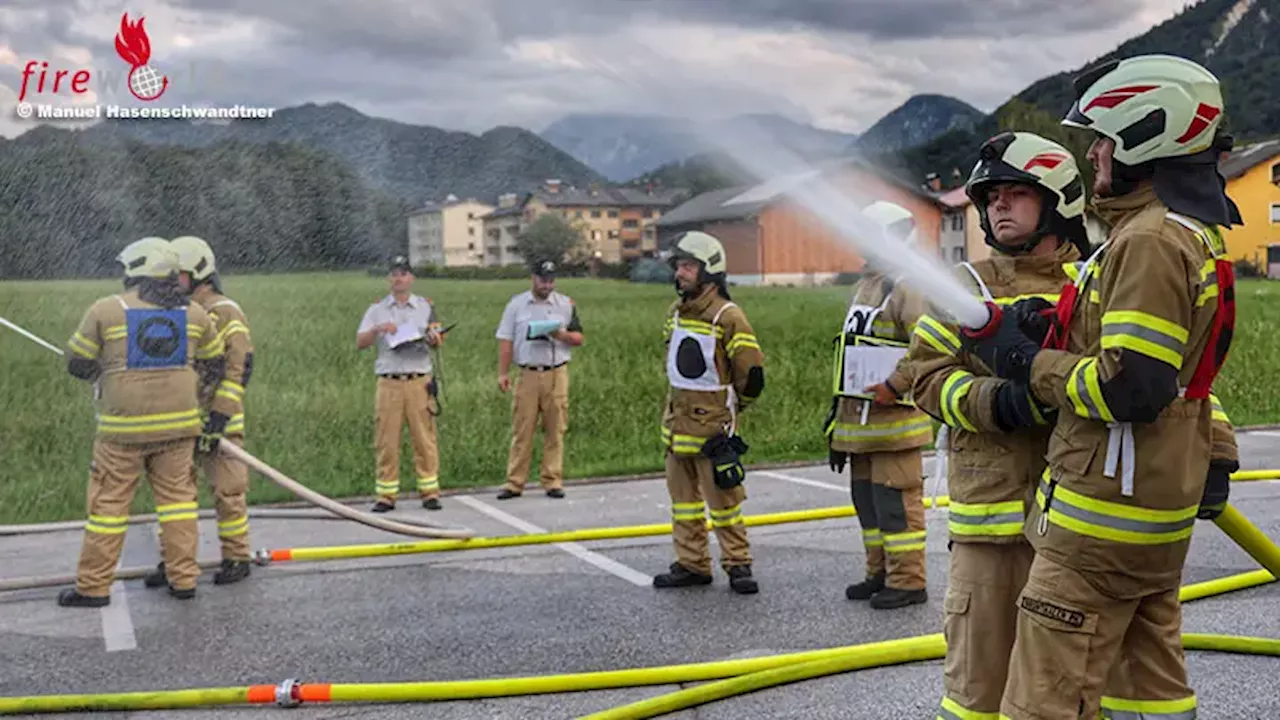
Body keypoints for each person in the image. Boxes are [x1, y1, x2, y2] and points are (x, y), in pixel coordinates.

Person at [959, 54, 1242, 718]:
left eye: (1104, 140)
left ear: (1149, 136)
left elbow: (1134, 388)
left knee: (1041, 702)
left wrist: (1024, 362)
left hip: (1095, 527)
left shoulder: (1146, 242)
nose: (1095, 157)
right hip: (1147, 516)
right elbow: (1170, 364)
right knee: (1150, 697)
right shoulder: (1183, 232)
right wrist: (1048, 327)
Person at [906, 132, 1089, 717]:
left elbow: (1157, 374)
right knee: (977, 694)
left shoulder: (1094, 286)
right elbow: (925, 380)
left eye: (1015, 193)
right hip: (990, 534)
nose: (998, 206)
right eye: (991, 197)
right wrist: (999, 403)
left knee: (1070, 690)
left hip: (1077, 533)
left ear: (1058, 199)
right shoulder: (966, 289)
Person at [59, 236, 225, 606]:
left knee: (108, 509)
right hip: (180, 431)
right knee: (179, 505)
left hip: (121, 435)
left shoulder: (106, 310)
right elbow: (215, 363)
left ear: (136, 271)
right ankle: (183, 580)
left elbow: (78, 363)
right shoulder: (195, 315)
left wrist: (103, 369)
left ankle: (93, 588)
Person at [824, 201, 933, 610]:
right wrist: (838, 427)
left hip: (895, 423)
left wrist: (895, 383)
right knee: (868, 503)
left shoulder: (911, 285)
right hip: (861, 425)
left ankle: (908, 581)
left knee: (896, 507)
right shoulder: (868, 285)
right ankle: (879, 572)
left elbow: (927, 350)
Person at [652, 231, 765, 595]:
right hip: (678, 425)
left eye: (688, 266)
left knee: (724, 502)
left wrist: (730, 412)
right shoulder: (676, 314)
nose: (680, 273)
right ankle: (691, 564)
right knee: (683, 504)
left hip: (713, 430)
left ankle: (738, 564)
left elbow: (752, 376)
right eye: (679, 266)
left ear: (710, 270)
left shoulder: (728, 317)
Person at [142, 235, 256, 588]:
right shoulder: (175, 312)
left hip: (216, 421)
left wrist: (219, 417)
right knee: (176, 497)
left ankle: (237, 557)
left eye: (178, 276)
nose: (170, 283)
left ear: (199, 274)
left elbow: (239, 367)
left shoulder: (223, 311)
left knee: (228, 491)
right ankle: (175, 562)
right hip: (179, 419)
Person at [356, 256, 445, 511]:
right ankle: (386, 495)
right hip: (390, 382)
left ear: (411, 278)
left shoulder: (426, 307)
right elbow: (360, 342)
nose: (399, 278)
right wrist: (378, 330)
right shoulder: (377, 309)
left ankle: (429, 492)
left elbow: (438, 339)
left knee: (424, 438)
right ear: (389, 279)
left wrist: (433, 338)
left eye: (403, 273)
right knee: (386, 439)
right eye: (394, 274)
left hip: (419, 380)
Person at [494, 259, 585, 500]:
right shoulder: (516, 305)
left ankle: (552, 479)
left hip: (556, 372)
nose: (547, 284)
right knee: (522, 429)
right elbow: (505, 340)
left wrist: (561, 334)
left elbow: (579, 337)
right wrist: (503, 373)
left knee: (556, 428)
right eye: (542, 279)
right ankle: (515, 482)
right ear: (533, 278)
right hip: (527, 373)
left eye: (551, 280)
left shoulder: (565, 304)